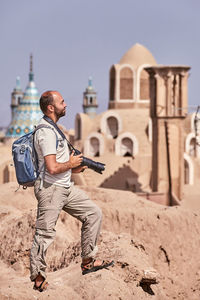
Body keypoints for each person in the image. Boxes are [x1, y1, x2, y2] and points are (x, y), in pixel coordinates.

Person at [30, 91, 114, 292]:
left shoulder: (55, 129)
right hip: (50, 189)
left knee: (93, 213)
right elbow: (51, 167)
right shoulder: (46, 132)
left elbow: (60, 165)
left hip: (65, 187)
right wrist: (71, 162)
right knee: (44, 234)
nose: (66, 104)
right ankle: (38, 278)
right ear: (51, 107)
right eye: (62, 102)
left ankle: (88, 262)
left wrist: (76, 167)